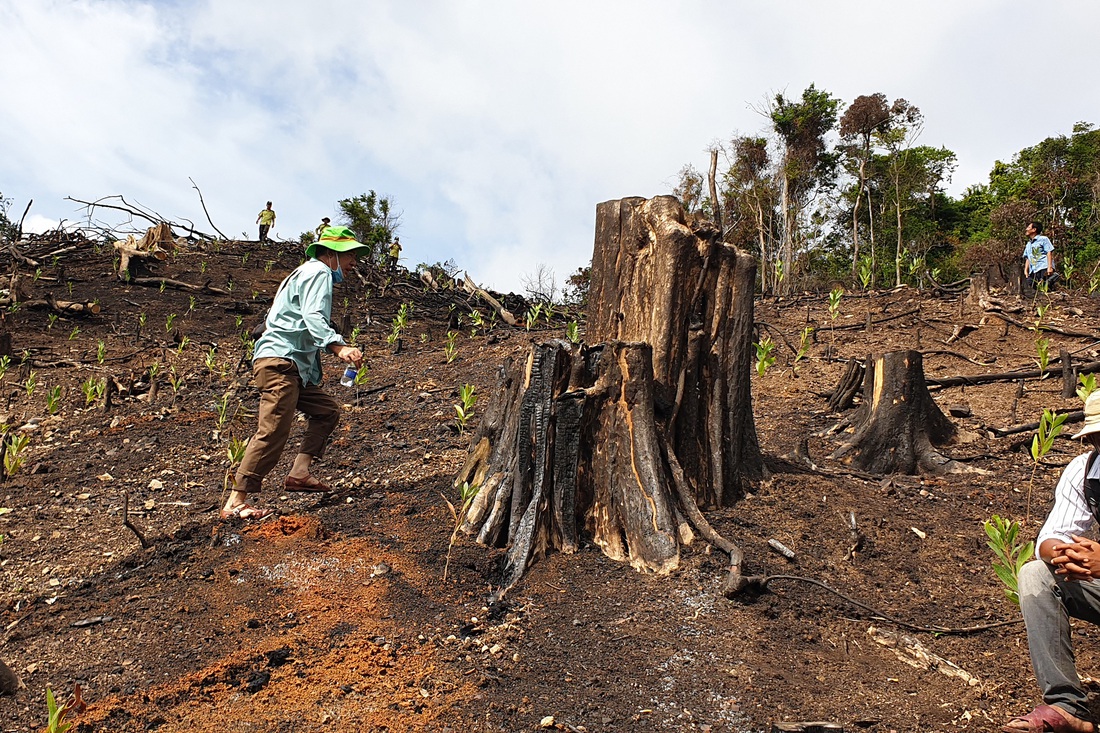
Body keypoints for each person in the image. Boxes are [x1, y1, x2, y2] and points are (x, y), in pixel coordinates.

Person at [221, 225, 366, 521]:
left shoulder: (303, 273)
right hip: (280, 364)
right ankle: (236, 501)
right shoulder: (319, 273)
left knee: (326, 411)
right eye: (351, 254)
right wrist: (338, 348)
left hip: (294, 368)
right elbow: (313, 316)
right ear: (332, 254)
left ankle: (300, 473)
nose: (354, 263)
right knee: (272, 429)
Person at [1006, 390, 1100, 732]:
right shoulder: (1086, 470)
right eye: (1097, 438)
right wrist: (1064, 553)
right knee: (1036, 575)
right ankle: (1067, 706)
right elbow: (1049, 538)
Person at [1023, 221, 1056, 290]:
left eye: (1029, 227)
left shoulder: (1043, 239)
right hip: (1033, 270)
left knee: (1046, 287)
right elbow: (1028, 258)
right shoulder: (1028, 244)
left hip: (1043, 267)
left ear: (1034, 230)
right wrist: (1026, 271)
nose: (1026, 229)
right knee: (1032, 286)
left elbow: (1049, 252)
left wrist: (1049, 267)